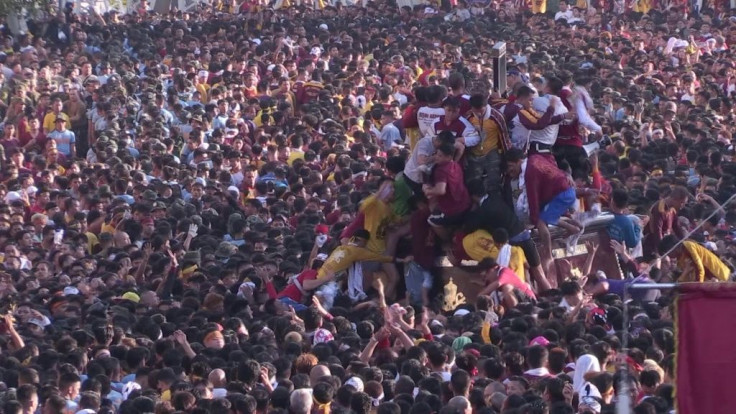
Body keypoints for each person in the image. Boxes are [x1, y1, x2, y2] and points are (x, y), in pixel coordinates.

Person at [505, 148, 582, 274]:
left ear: (519, 161)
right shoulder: (534, 158)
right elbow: (552, 163)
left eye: (510, 166)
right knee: (547, 215)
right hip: (566, 192)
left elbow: (532, 197)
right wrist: (566, 174)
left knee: (541, 221)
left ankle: (548, 255)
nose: (509, 170)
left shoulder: (530, 172)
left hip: (561, 194)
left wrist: (534, 219)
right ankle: (574, 227)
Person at [658, 235, 730, 282]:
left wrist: (697, 287)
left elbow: (699, 268)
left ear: (672, 248)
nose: (669, 256)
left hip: (719, 275)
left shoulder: (687, 246)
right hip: (711, 281)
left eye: (667, 253)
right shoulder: (679, 260)